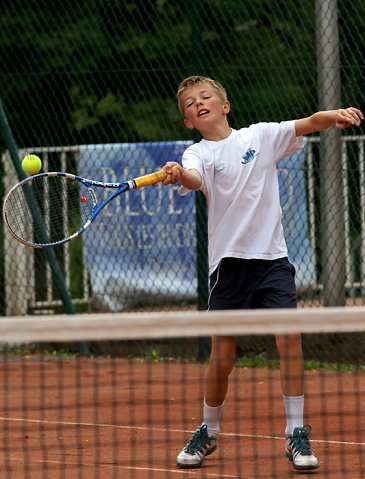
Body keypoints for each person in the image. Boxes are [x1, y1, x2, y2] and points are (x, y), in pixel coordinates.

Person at [160, 75, 363, 471]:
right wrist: (179, 174)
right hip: (228, 267)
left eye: (206, 97)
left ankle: (295, 434)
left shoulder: (260, 137)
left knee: (290, 341)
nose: (198, 103)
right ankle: (209, 430)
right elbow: (194, 179)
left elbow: (307, 122)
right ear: (188, 121)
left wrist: (334, 115)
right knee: (222, 356)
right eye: (189, 103)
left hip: (272, 260)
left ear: (225, 106)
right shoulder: (196, 153)